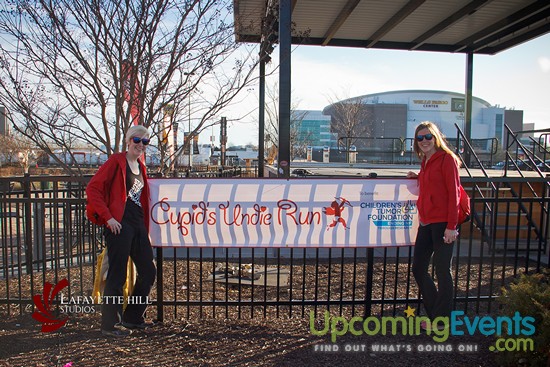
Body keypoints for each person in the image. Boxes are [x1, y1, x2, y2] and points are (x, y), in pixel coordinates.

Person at [86, 125, 156, 337]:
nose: (140, 145)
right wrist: (108, 218)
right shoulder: (116, 162)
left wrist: (146, 229)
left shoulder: (141, 167)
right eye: (137, 140)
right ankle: (110, 324)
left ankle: (133, 318)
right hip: (119, 226)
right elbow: (93, 189)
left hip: (137, 226)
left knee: (148, 271)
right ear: (128, 140)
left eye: (145, 142)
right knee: (117, 275)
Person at [407, 121, 461, 324]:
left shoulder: (447, 159)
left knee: (442, 271)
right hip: (426, 223)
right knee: (418, 268)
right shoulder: (426, 161)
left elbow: (453, 193)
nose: (424, 141)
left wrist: (451, 226)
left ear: (436, 137)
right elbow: (433, 183)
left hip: (443, 224)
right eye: (420, 138)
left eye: (428, 136)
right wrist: (419, 176)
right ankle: (435, 315)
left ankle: (440, 321)